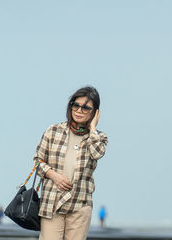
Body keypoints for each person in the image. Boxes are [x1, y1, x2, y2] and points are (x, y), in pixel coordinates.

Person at [34, 86, 108, 240]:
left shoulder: (99, 137)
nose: (79, 110)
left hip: (80, 204)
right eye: (76, 105)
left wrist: (93, 128)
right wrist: (54, 176)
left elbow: (97, 153)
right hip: (52, 203)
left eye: (86, 108)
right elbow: (38, 161)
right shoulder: (53, 131)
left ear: (95, 112)